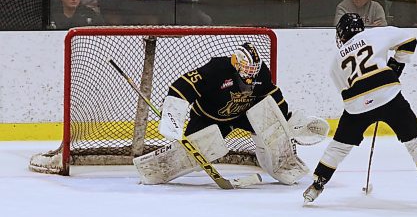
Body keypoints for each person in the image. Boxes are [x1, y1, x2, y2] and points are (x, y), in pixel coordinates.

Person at [303, 13, 417, 205]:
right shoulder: (376, 35)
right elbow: (410, 40)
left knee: (338, 147)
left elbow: (345, 92)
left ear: (341, 34)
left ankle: (317, 185)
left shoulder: (335, 61)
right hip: (387, 94)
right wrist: (396, 65)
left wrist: (364, 107)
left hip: (357, 104)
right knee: (415, 141)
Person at [134, 42, 328, 186]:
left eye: (253, 70)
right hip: (208, 118)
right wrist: (172, 115)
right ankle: (154, 171)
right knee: (193, 151)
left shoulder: (260, 74)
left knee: (271, 126)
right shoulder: (217, 69)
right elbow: (183, 85)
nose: (250, 75)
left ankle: (285, 167)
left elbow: (271, 94)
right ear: (236, 63)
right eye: (247, 69)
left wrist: (285, 119)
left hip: (243, 116)